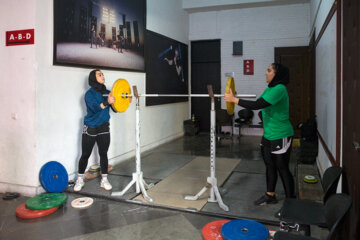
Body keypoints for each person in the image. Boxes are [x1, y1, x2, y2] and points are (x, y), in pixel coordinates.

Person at [224, 63, 295, 205]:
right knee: (269, 164)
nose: (265, 73)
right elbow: (257, 102)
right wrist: (235, 96)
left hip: (281, 134)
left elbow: (258, 105)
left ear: (277, 74)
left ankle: (291, 203)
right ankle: (270, 195)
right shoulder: (270, 89)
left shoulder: (280, 89)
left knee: (282, 167)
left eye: (269, 70)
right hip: (269, 134)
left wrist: (234, 100)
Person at [74, 69, 116, 192]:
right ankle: (80, 179)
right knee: (85, 155)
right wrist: (107, 102)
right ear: (93, 78)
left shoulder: (108, 92)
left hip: (103, 126)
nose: (103, 76)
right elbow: (95, 108)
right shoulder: (89, 94)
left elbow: (116, 108)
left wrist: (123, 101)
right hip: (91, 127)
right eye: (99, 75)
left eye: (102, 74)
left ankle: (104, 179)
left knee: (103, 154)